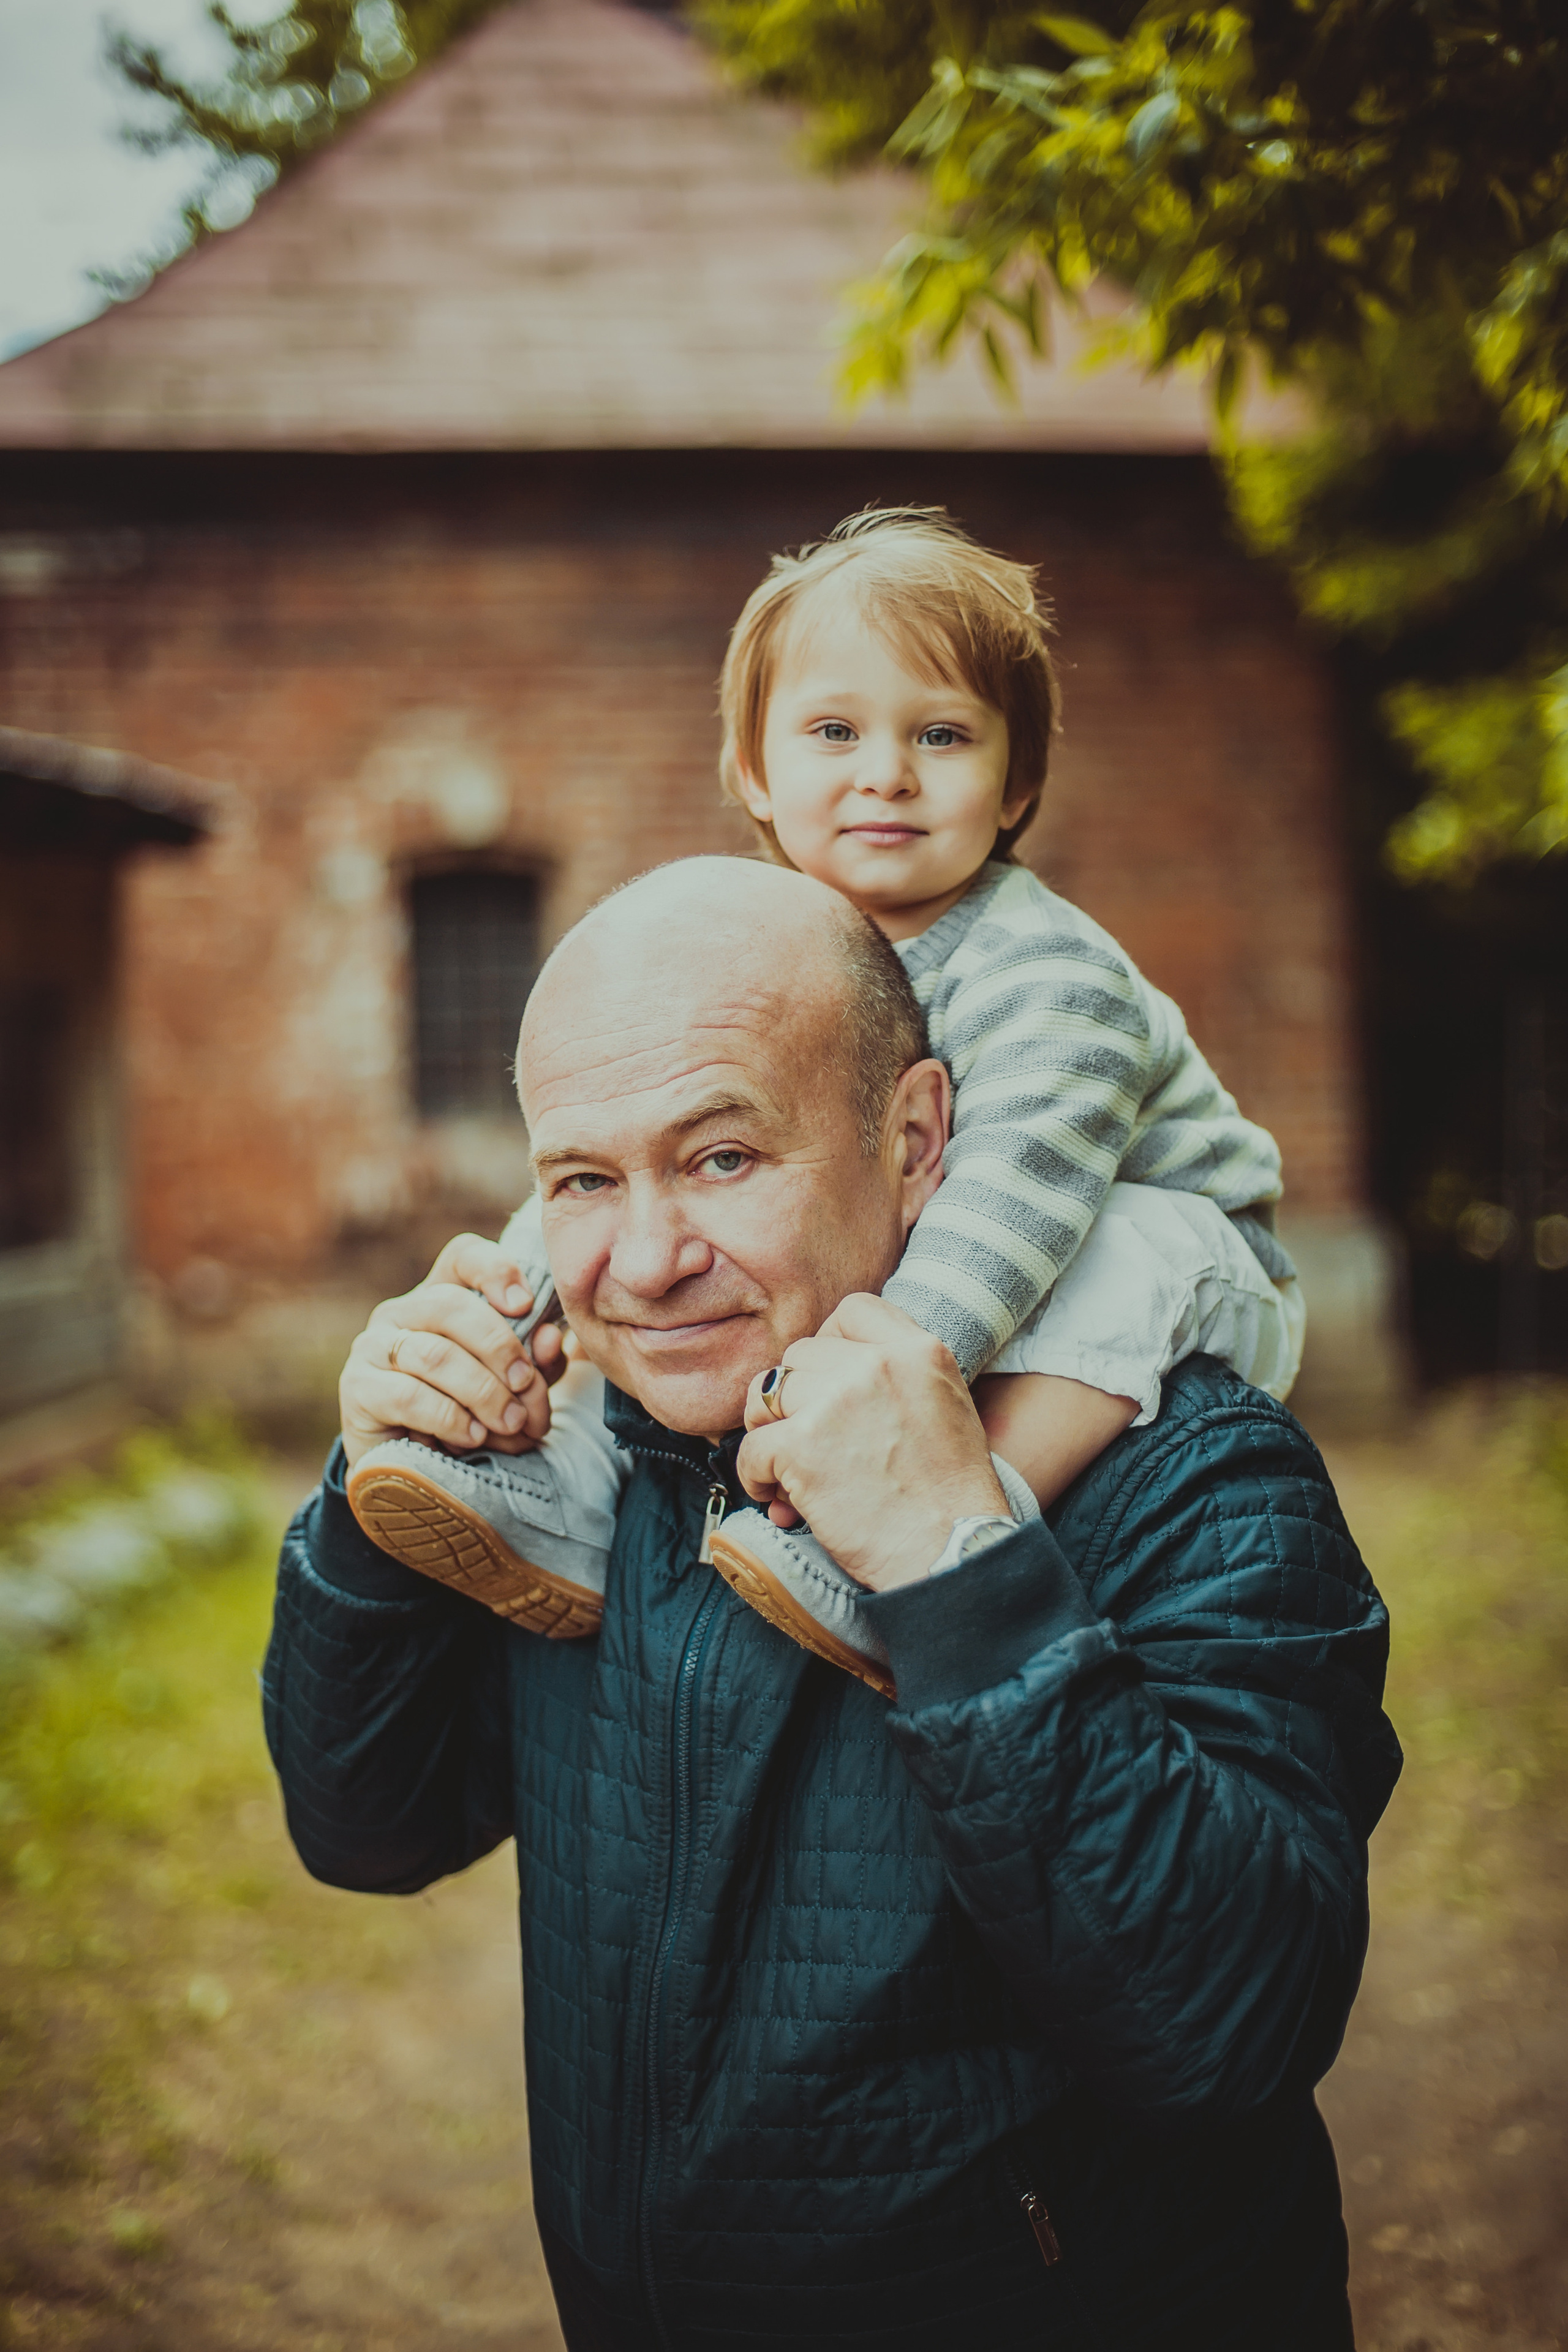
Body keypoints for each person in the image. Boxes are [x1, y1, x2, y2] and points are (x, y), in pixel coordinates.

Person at [271, 856, 1400, 2352]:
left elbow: (1230, 2032)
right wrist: (373, 1498)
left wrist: (957, 1565)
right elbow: (368, 1827)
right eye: (583, 1182)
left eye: (723, 1158)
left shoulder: (1191, 1472)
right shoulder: (595, 1476)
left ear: (916, 1137)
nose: (648, 1262)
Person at [345, 511, 1305, 1697]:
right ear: (754, 769)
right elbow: (621, 1139)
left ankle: (932, 1534)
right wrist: (507, 1312)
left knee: (1126, 1254)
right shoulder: (755, 956)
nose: (885, 773)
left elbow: (1019, 1198)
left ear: (1016, 788)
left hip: (1178, 1257)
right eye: (833, 730)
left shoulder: (1052, 976)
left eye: (942, 735)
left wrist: (856, 1394)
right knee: (653, 1214)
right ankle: (552, 1505)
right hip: (973, 1246)